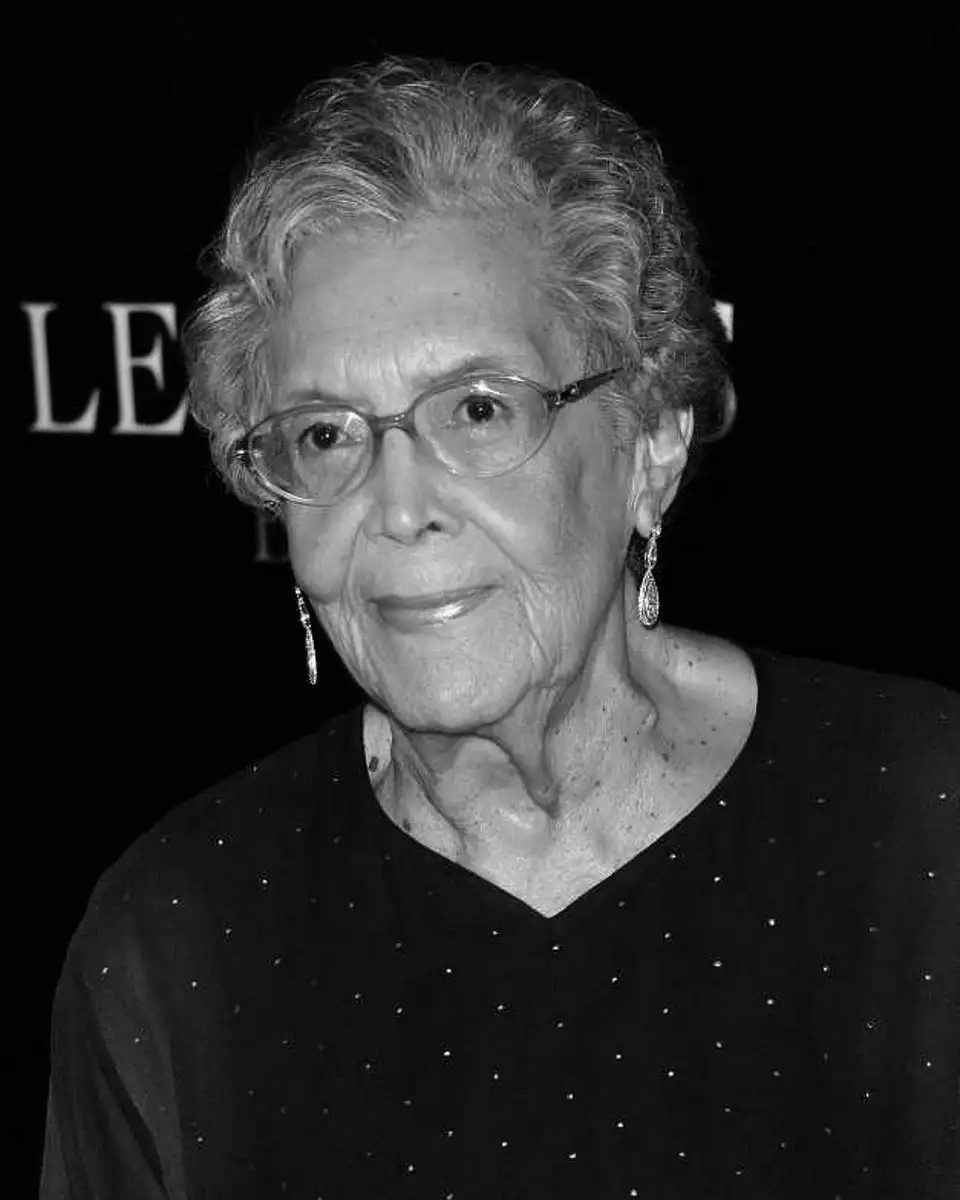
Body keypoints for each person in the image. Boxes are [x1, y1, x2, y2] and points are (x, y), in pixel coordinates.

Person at [40, 55, 957, 1199]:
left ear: (651, 447)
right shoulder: (175, 939)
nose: (399, 506)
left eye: (479, 410)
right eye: (325, 434)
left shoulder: (923, 820)